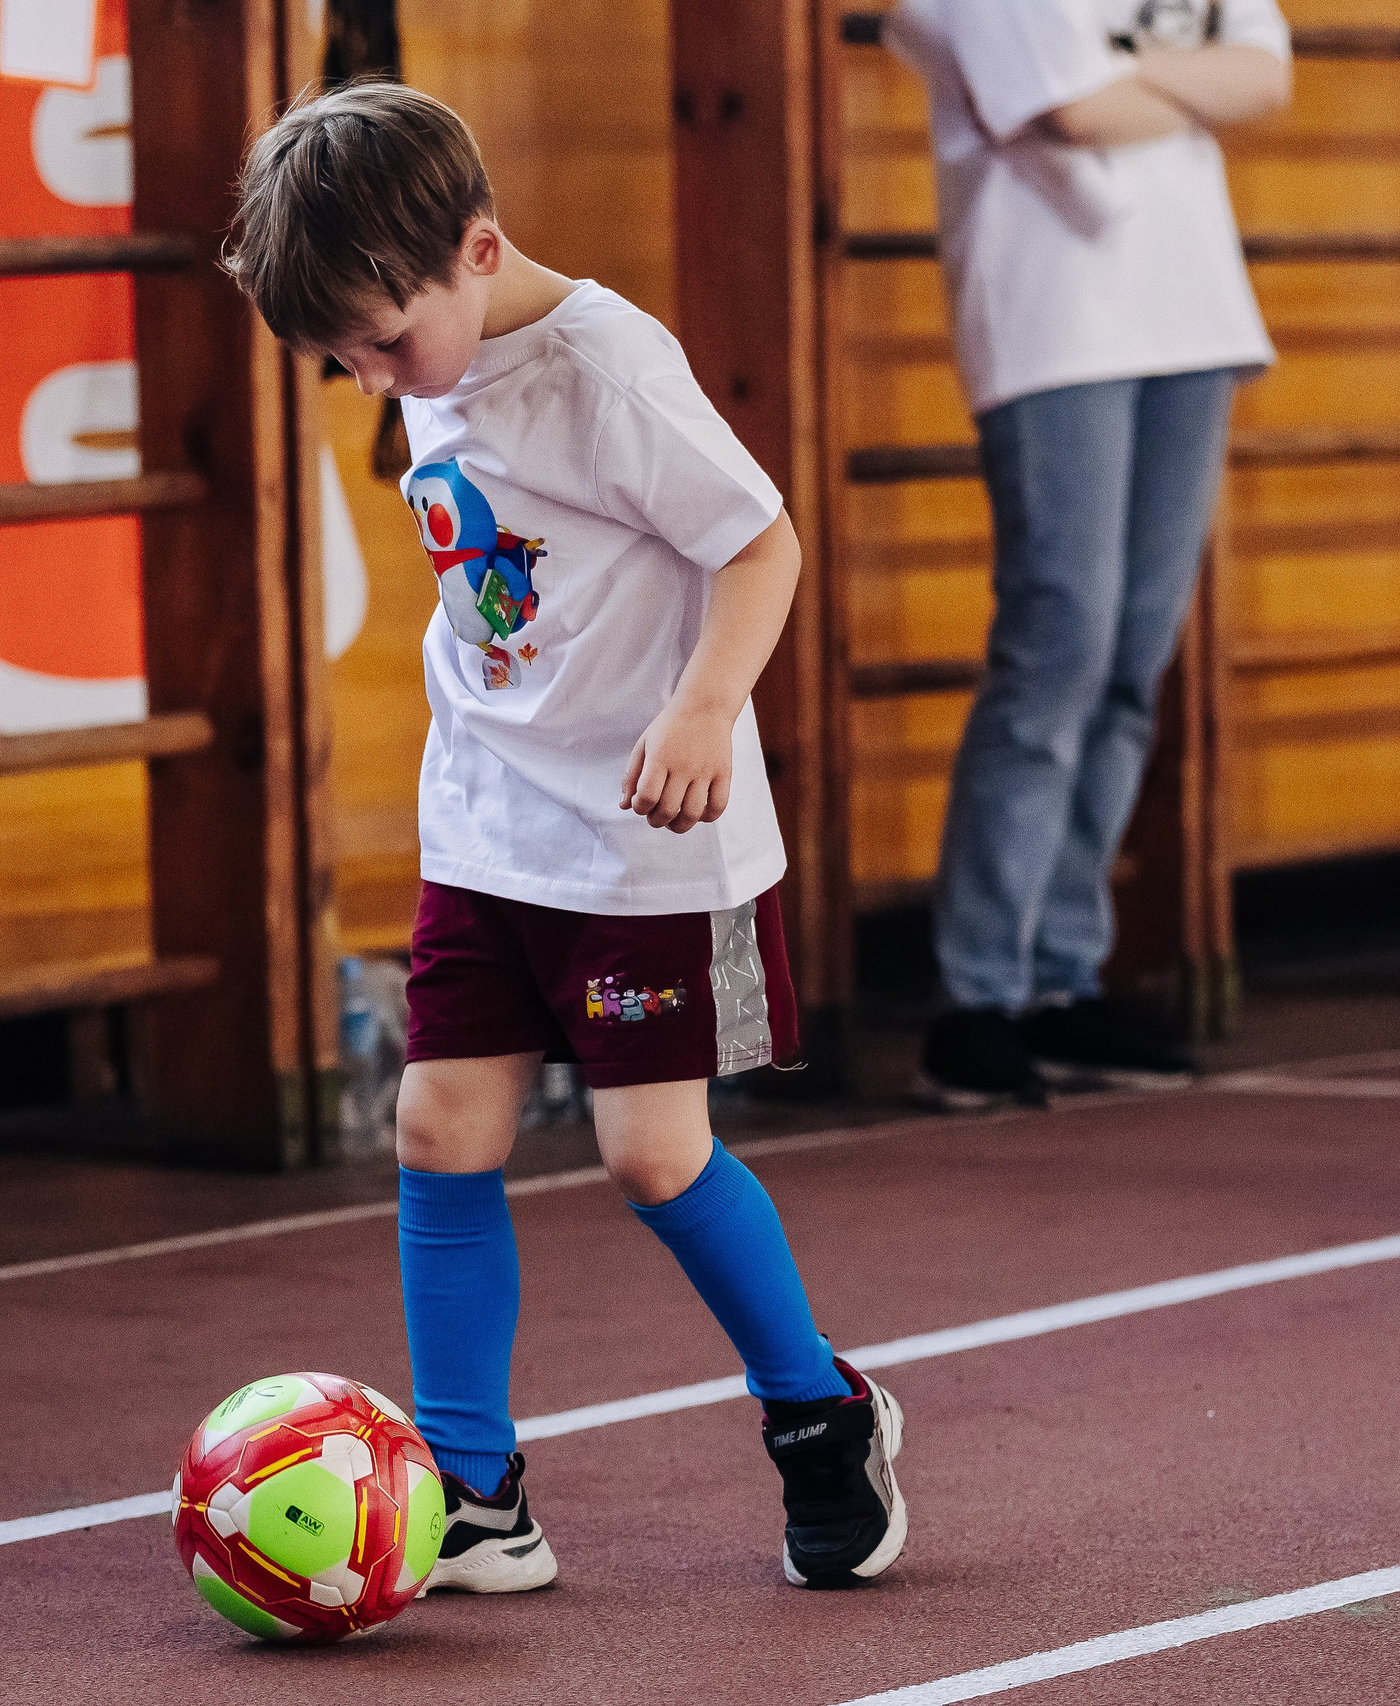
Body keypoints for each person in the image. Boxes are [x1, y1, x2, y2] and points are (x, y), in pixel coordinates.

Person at [222, 82, 907, 1592]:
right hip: (487, 829)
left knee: (651, 1155)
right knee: (436, 1128)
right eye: (333, 355)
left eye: (379, 342)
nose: (364, 376)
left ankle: (816, 1412)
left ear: (479, 250)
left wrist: (707, 706)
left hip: (645, 846)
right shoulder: (425, 351)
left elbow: (761, 541)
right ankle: (474, 1493)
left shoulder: (606, 365)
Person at [885, 0, 1292, 1108]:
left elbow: (1266, 72)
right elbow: (1065, 110)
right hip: (1051, 315)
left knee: (1128, 662)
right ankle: (977, 993)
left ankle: (1063, 976)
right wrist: (1173, 72)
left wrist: (1128, 65)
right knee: (1057, 642)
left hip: (1191, 313)